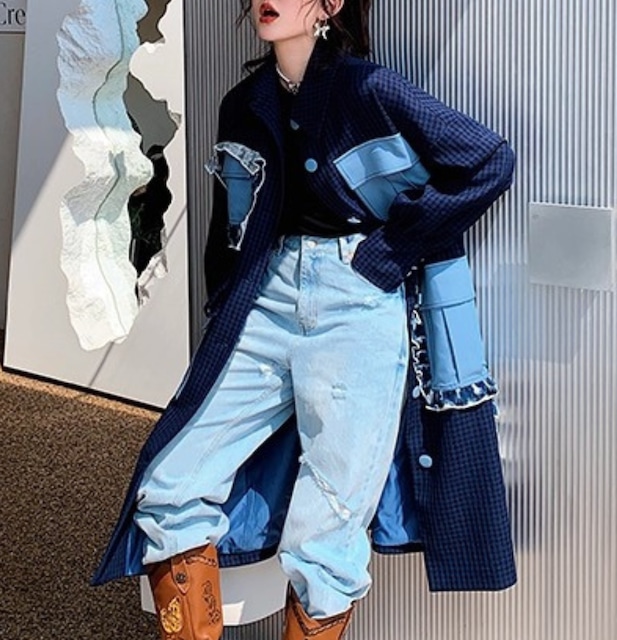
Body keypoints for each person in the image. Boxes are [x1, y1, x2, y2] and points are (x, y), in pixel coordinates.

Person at [92, 1, 517, 638]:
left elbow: (487, 161)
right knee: (172, 482)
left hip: (356, 302)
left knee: (328, 526)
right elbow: (228, 226)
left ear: (331, 4)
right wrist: (224, 306)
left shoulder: (370, 90)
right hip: (265, 300)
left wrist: (390, 251)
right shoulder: (243, 104)